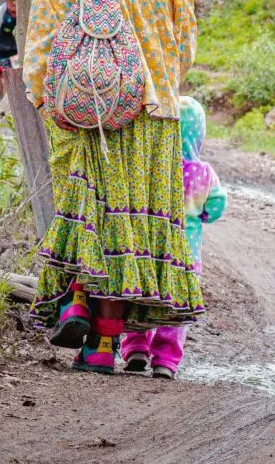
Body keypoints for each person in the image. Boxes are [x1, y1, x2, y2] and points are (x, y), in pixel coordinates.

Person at [22, 0, 203, 374]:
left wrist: (43, 97)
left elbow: (39, 43)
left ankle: (85, 318)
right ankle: (107, 341)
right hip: (153, 116)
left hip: (87, 112)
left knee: (90, 215)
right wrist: (157, 84)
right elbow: (186, 49)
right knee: (131, 230)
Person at [120, 96, 227, 379]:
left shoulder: (149, 168)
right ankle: (165, 360)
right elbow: (216, 207)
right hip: (185, 257)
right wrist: (199, 215)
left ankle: (136, 348)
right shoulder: (202, 173)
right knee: (176, 308)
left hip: (146, 251)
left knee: (140, 298)